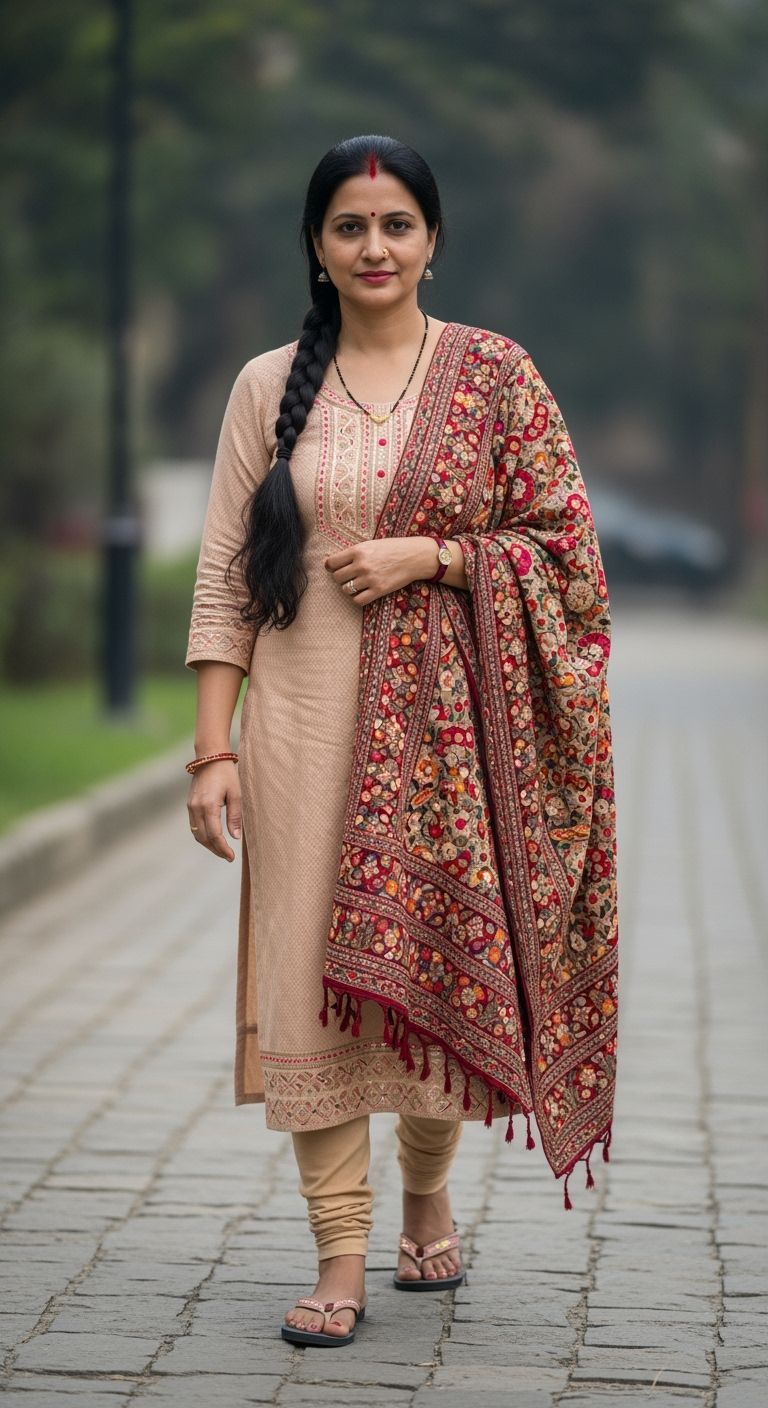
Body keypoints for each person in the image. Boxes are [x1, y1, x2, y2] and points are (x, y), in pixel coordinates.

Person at [185, 134, 618, 1348]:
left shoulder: (495, 375)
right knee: (304, 984)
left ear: (433, 240)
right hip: (299, 728)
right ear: (316, 249)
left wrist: (434, 556)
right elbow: (226, 574)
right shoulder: (271, 386)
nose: (374, 248)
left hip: (449, 749)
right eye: (347, 227)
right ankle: (339, 1253)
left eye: (396, 226)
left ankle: (427, 1188)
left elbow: (569, 552)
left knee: (428, 968)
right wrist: (210, 750)